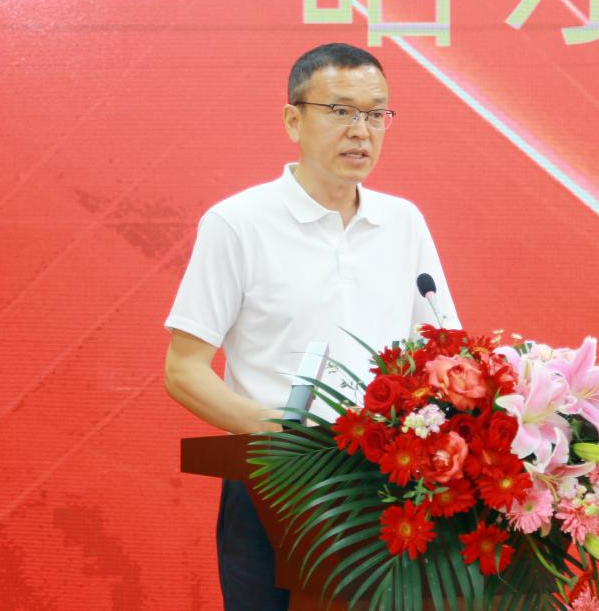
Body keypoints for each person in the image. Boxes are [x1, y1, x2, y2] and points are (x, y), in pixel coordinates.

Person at [163, 42, 459, 611]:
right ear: (293, 120)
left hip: (386, 485)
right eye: (341, 111)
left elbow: (440, 351)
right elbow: (184, 370)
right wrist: (278, 431)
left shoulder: (403, 222)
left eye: (375, 113)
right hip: (274, 483)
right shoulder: (238, 223)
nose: (361, 131)